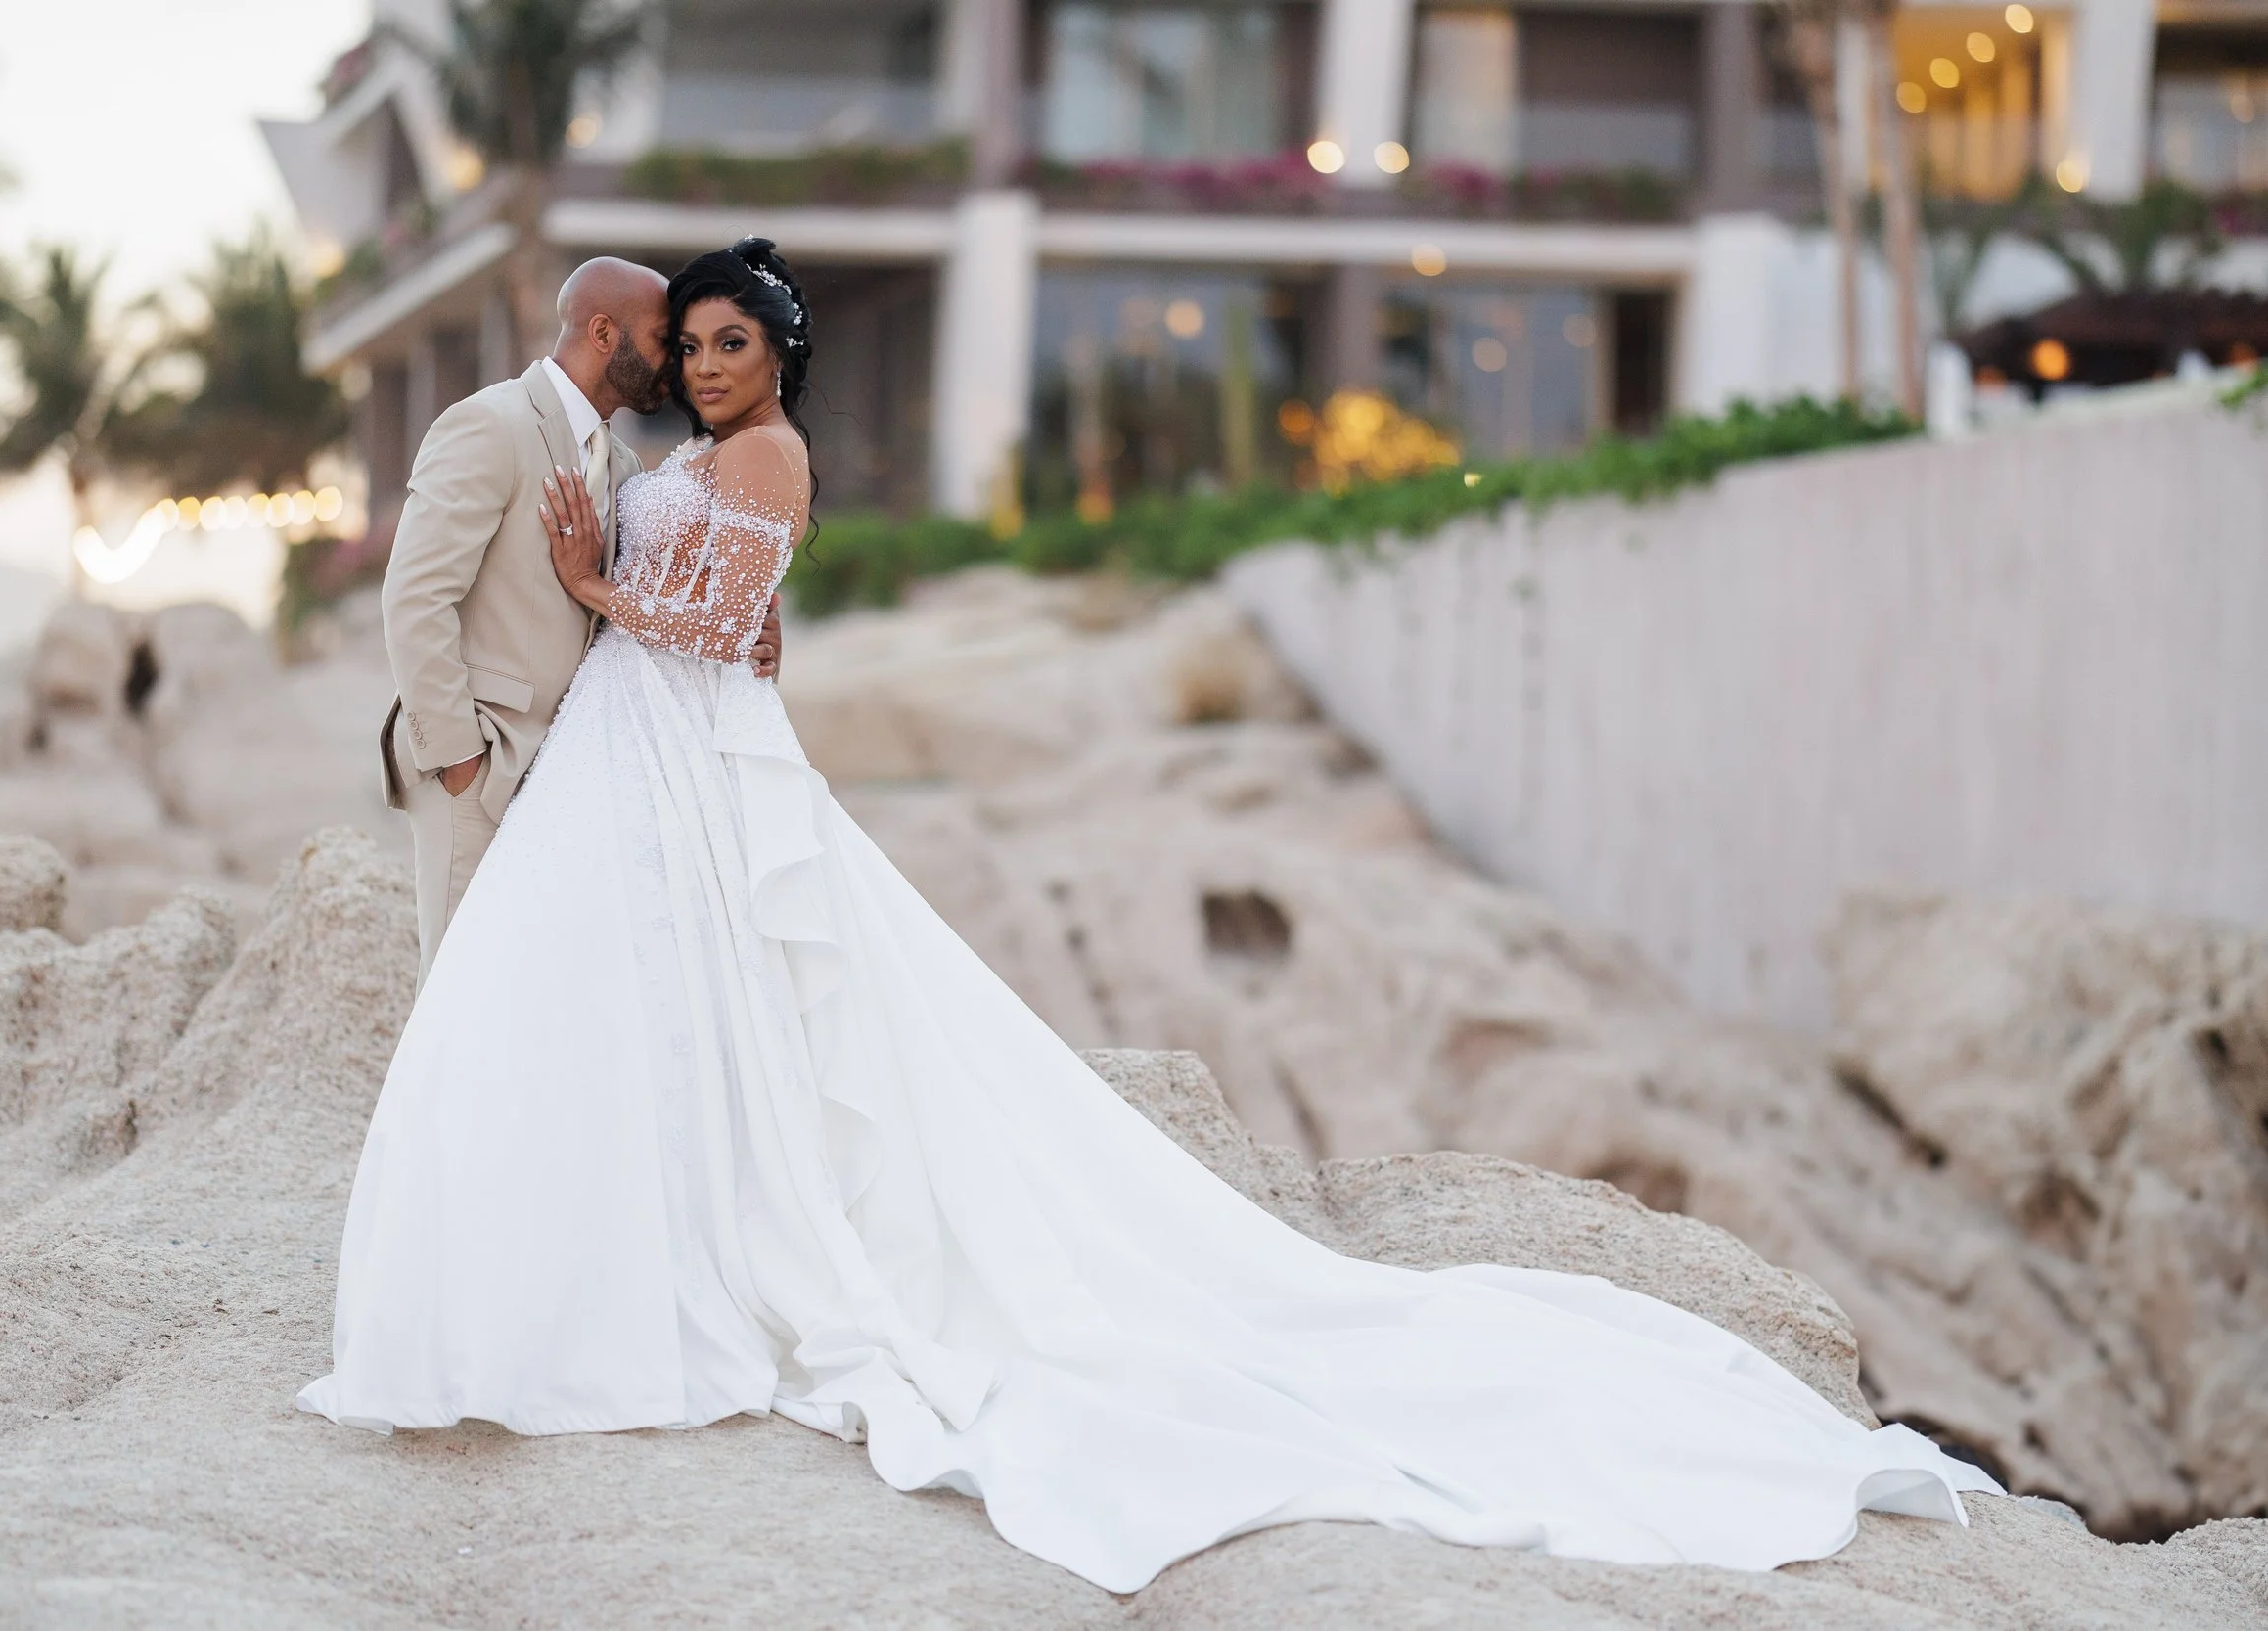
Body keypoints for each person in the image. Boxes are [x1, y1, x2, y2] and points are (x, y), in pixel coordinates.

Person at [299, 238, 2002, 1593]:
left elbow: (713, 615)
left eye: (727, 343)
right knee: (628, 1008)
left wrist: (606, 585)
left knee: (728, 1019)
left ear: (775, 359)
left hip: (658, 746)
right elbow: (715, 631)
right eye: (689, 344)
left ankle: (671, 1258)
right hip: (620, 760)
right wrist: (562, 670)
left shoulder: (761, 461)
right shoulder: (640, 448)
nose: (699, 361)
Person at [376, 257, 780, 981]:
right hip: (481, 769)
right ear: (604, 332)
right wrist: (463, 761)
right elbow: (415, 598)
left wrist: (747, 619)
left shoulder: (619, 461)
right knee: (463, 996)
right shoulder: (489, 424)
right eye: (666, 340)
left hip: (567, 781)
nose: (678, 365)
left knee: (533, 999)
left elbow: (640, 591)